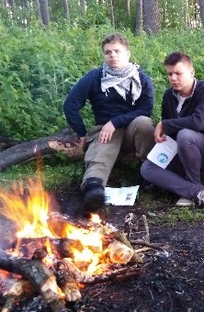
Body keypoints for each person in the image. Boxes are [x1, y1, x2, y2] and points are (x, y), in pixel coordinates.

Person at [63, 32, 156, 215]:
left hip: (131, 129)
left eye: (117, 51)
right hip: (104, 130)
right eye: (108, 52)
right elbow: (70, 105)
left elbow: (145, 109)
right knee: (101, 152)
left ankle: (149, 175)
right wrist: (82, 133)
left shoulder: (142, 79)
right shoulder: (95, 77)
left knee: (145, 123)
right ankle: (93, 189)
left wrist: (115, 122)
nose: (112, 55)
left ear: (127, 53)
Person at [140, 51, 204, 209]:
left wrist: (165, 124)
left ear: (191, 72)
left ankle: (191, 189)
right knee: (147, 168)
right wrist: (162, 149)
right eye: (170, 74)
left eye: (178, 73)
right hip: (182, 151)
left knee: (185, 135)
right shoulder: (168, 96)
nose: (173, 78)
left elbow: (198, 123)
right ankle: (197, 193)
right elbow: (171, 133)